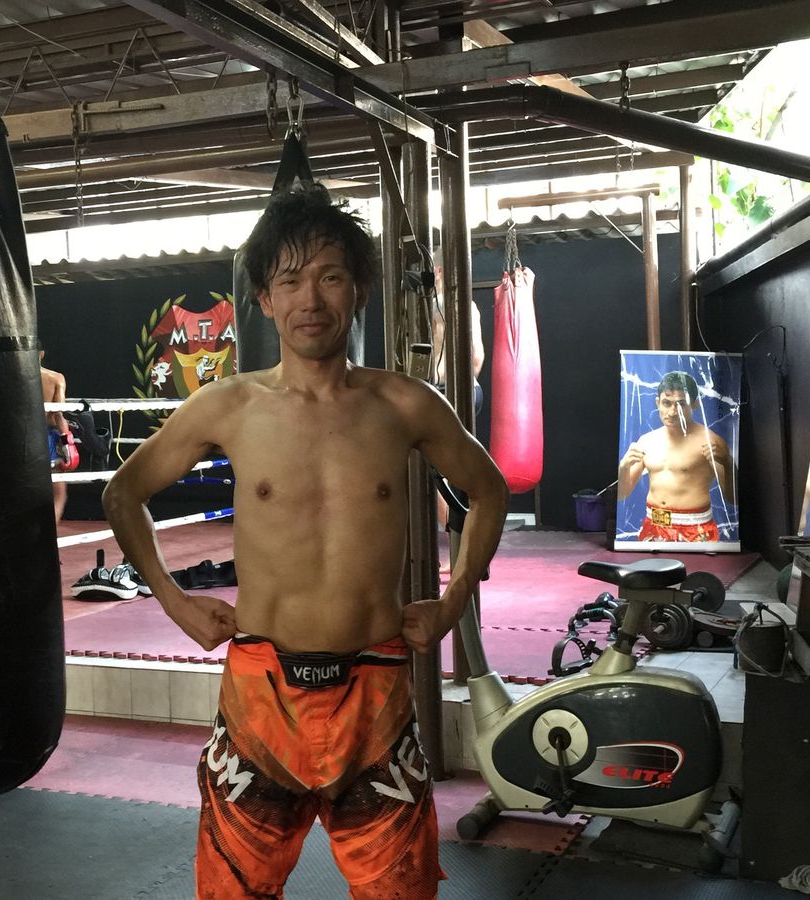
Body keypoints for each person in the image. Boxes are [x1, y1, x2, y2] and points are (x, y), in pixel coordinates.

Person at [103, 184, 509, 899]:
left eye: (330, 276)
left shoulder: (404, 404)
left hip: (375, 694)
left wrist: (452, 603)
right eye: (289, 281)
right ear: (264, 299)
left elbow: (489, 490)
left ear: (359, 290)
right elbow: (123, 493)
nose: (310, 299)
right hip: (261, 694)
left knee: (400, 894)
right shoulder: (227, 406)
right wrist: (173, 600)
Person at [616, 370, 734, 542]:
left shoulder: (709, 442)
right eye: (666, 403)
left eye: (681, 404)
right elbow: (622, 494)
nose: (672, 412)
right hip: (654, 527)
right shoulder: (646, 441)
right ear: (658, 403)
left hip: (696, 531)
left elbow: (732, 499)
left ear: (695, 405)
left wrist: (728, 463)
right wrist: (623, 467)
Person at [430, 266, 486, 572]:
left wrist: (443, 383)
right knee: (449, 471)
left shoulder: (441, 304)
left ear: (438, 270)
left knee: (436, 473)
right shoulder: (463, 305)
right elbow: (477, 358)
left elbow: (474, 358)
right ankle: (465, 548)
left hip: (448, 391)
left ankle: (462, 549)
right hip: (462, 390)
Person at [40, 347, 69, 523]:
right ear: (41, 354)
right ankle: (50, 533)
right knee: (59, 492)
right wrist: (67, 442)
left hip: (21, 436)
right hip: (48, 437)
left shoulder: (13, 378)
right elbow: (59, 413)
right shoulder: (56, 378)